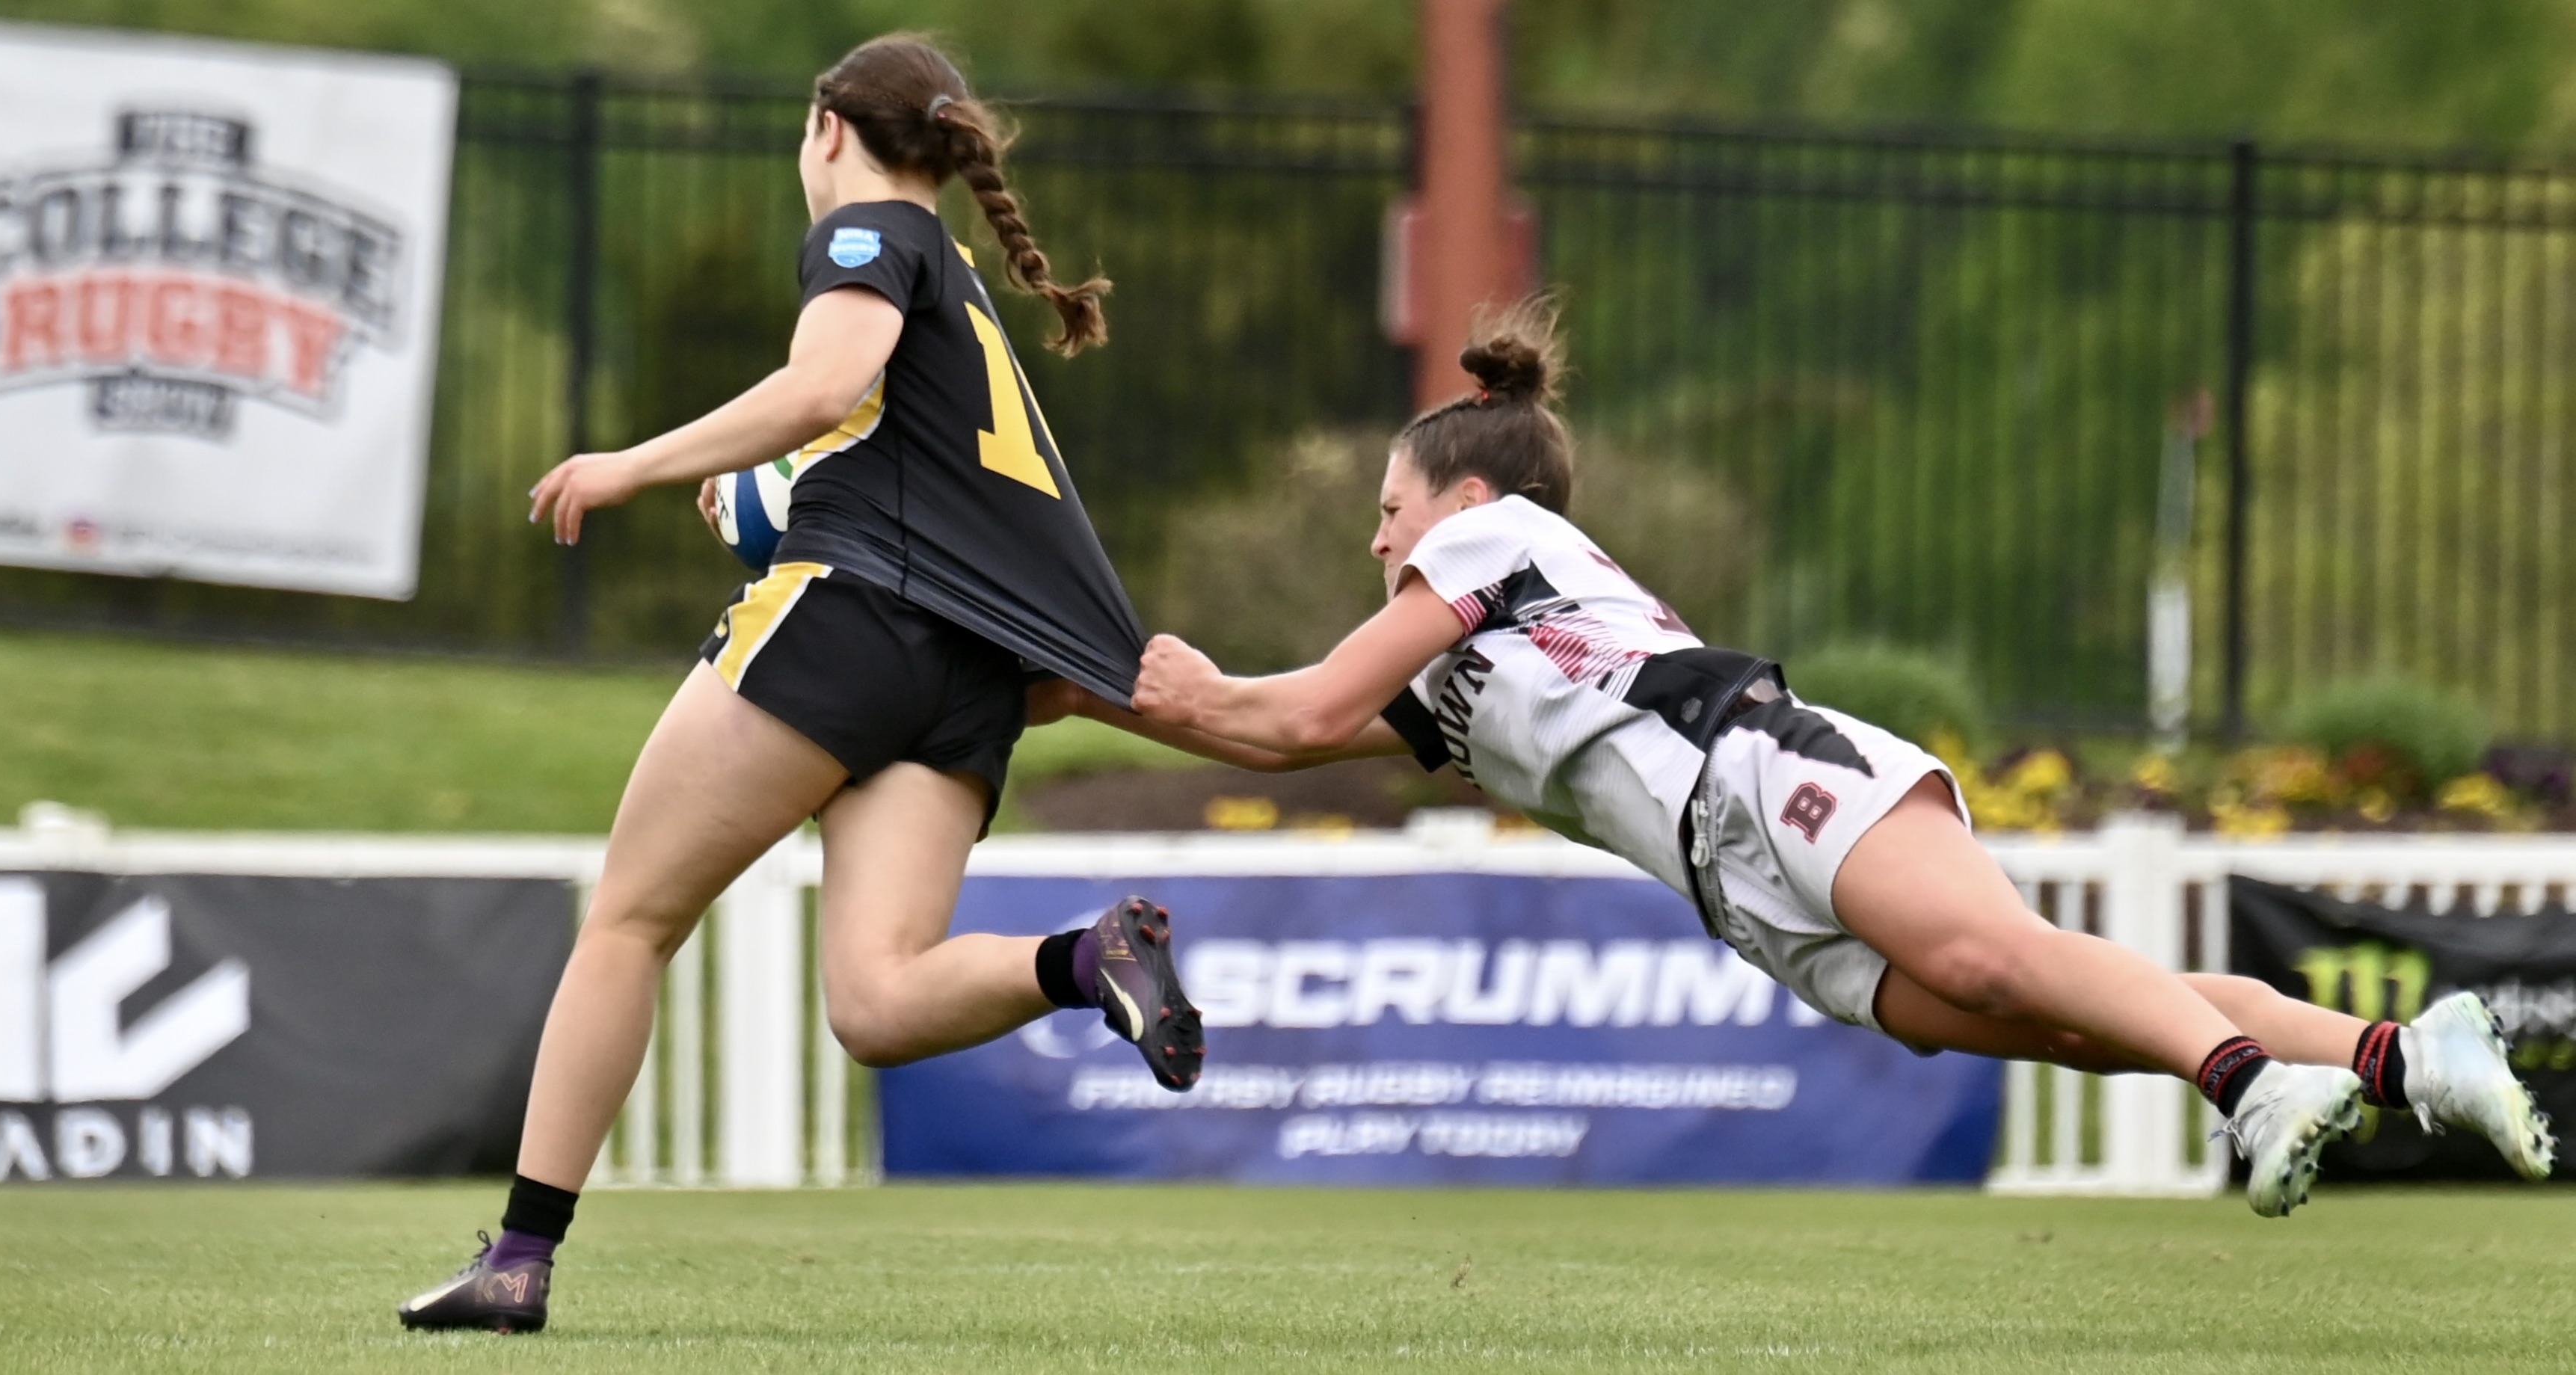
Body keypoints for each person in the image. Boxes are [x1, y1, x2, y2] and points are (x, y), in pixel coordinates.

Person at [1126, 297, 2556, 1218]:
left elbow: (1299, 712)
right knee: (2072, 1012)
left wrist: (1171, 687)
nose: (1374, 537)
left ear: (1469, 498)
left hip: (1762, 768)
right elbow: (1262, 728)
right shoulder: (1446, 677)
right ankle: (2409, 1058)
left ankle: (2246, 1079)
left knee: (2009, 967)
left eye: (1389, 508)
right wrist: (1078, 690)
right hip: (1743, 891)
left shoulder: (1495, 541)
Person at [400, 34, 1211, 1333]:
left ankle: (519, 1259)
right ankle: (1083, 959)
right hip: (965, 674)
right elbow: (892, 444)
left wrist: (630, 464)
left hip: (850, 629)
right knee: (879, 1003)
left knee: (628, 923)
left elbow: (822, 383)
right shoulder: (959, 280)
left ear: (828, 128)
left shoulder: (866, 235)